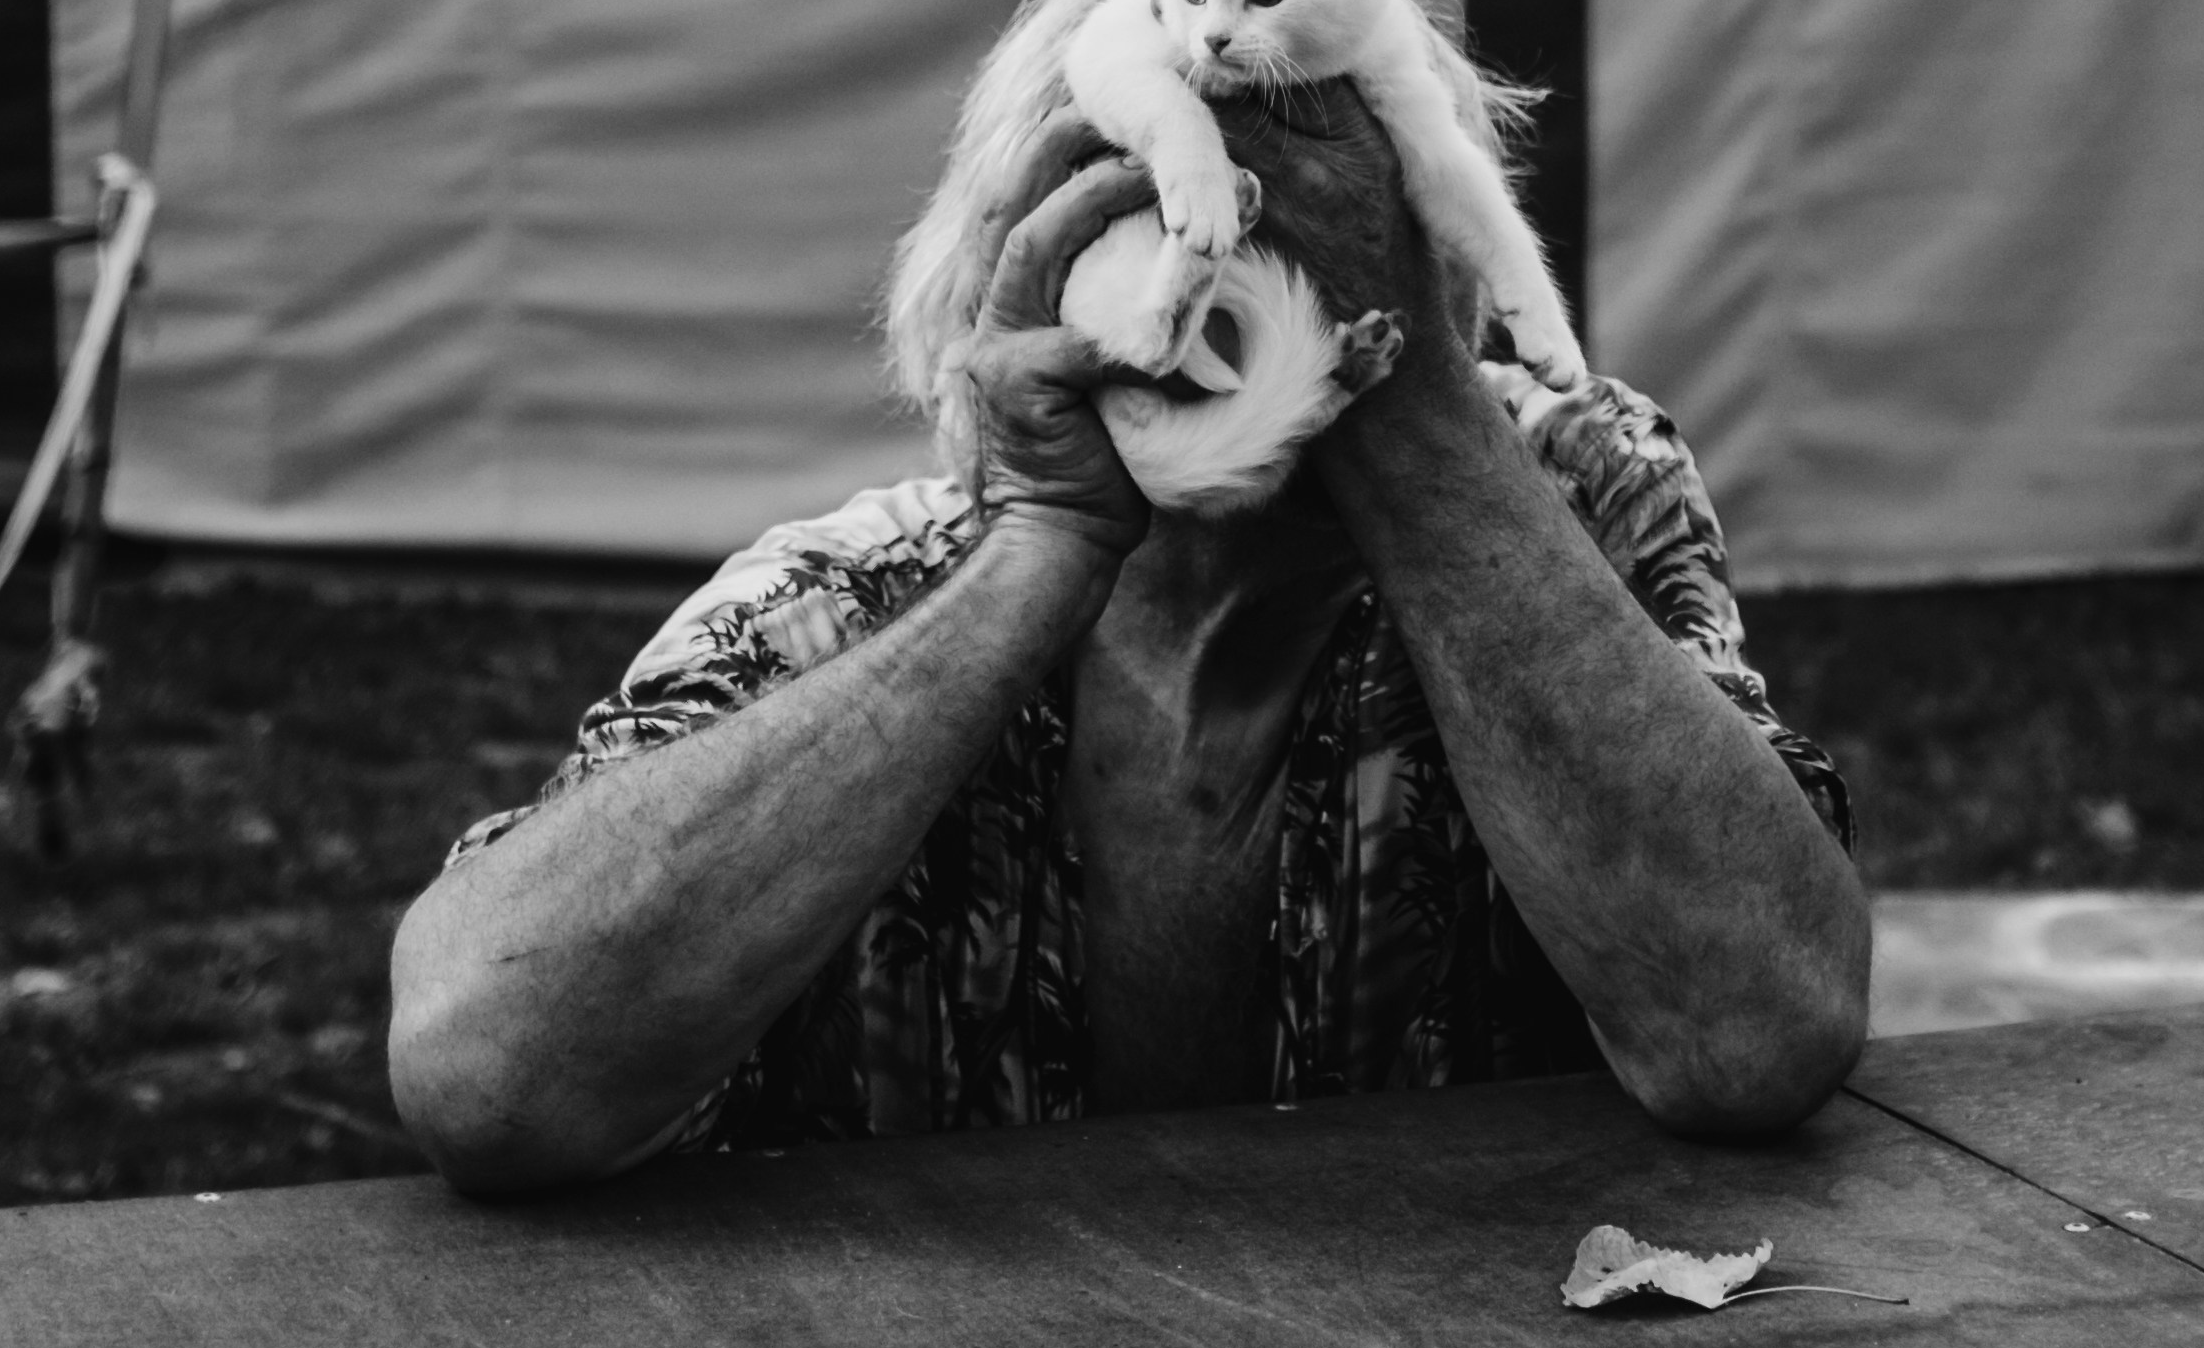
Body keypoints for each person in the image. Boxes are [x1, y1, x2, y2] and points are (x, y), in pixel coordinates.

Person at [388, 78, 1867, 1188]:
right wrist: (1045, 543)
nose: (1217, 283)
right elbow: (487, 1073)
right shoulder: (846, 597)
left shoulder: (1560, 497)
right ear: (1010, 282)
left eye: (1314, 223)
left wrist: (1409, 404)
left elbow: (1759, 1035)